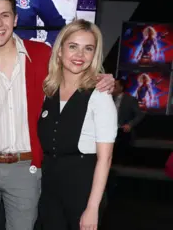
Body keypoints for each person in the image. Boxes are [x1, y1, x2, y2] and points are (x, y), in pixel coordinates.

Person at [0, 0, 114, 230]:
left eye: (5, 15)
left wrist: (108, 80)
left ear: (16, 19)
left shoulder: (42, 55)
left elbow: (74, 73)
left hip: (25, 168)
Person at [36, 19, 117, 230]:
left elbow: (105, 158)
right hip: (50, 189)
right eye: (73, 47)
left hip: (82, 188)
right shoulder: (49, 92)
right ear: (60, 51)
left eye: (88, 49)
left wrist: (92, 208)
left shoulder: (100, 95)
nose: (80, 55)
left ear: (94, 54)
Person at [112, 78, 144, 164]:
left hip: (123, 129)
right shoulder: (108, 98)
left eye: (114, 86)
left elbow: (139, 114)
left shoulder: (130, 100)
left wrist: (130, 125)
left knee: (124, 139)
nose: (112, 88)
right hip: (109, 129)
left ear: (121, 88)